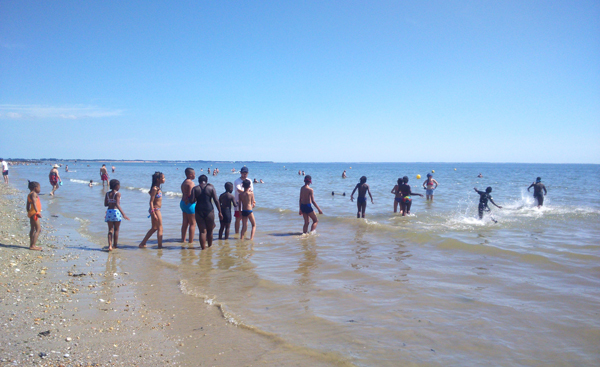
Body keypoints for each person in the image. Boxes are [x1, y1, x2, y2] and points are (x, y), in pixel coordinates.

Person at [189, 175, 222, 249]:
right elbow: (216, 200)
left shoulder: (195, 188)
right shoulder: (211, 188)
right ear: (206, 181)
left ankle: (203, 249)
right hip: (209, 210)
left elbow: (191, 201)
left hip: (199, 210)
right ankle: (209, 247)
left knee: (202, 231)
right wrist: (220, 211)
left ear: (199, 181)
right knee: (210, 231)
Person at [139, 172, 165, 249]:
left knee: (154, 228)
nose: (164, 179)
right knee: (160, 228)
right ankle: (160, 246)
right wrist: (153, 213)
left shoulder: (158, 188)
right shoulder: (155, 189)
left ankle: (142, 243)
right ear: (158, 179)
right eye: (163, 178)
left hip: (156, 209)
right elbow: (151, 201)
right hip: (156, 210)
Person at [104, 179, 130, 251]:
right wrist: (124, 214)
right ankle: (115, 245)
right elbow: (117, 204)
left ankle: (110, 245)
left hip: (109, 212)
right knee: (116, 229)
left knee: (110, 229)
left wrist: (110, 202)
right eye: (119, 185)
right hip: (116, 212)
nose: (119, 187)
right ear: (116, 186)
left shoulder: (107, 194)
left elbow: (105, 204)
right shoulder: (118, 194)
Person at [234, 167, 253, 234]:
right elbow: (239, 190)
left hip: (246, 204)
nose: (244, 174)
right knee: (238, 219)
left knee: (246, 220)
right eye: (243, 173)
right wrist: (246, 192)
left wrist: (253, 201)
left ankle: (244, 233)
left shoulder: (249, 181)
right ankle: (236, 233)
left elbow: (251, 191)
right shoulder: (237, 181)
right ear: (241, 173)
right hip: (238, 202)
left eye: (246, 173)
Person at [180, 168, 196, 244]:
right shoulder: (191, 183)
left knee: (185, 222)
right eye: (194, 174)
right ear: (190, 175)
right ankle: (191, 241)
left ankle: (183, 239)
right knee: (192, 223)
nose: (195, 175)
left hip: (182, 203)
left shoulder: (184, 182)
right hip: (189, 204)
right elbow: (190, 194)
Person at [26, 181, 43, 251]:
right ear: (35, 188)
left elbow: (27, 206)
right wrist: (37, 212)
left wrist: (29, 212)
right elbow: (34, 203)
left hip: (31, 212)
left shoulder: (29, 194)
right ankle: (33, 245)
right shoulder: (34, 194)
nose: (40, 189)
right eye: (39, 188)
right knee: (38, 229)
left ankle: (31, 244)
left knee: (32, 229)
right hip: (34, 213)